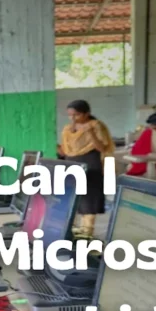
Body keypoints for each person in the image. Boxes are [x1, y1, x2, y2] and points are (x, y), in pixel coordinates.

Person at [60, 100, 115, 237]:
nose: (73, 118)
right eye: (70, 115)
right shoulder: (68, 128)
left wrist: (90, 133)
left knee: (89, 200)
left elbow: (102, 147)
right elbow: (66, 150)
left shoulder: (96, 126)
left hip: (91, 162)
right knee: (73, 199)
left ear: (87, 114)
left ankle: (86, 234)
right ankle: (71, 232)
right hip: (72, 163)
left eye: (76, 115)